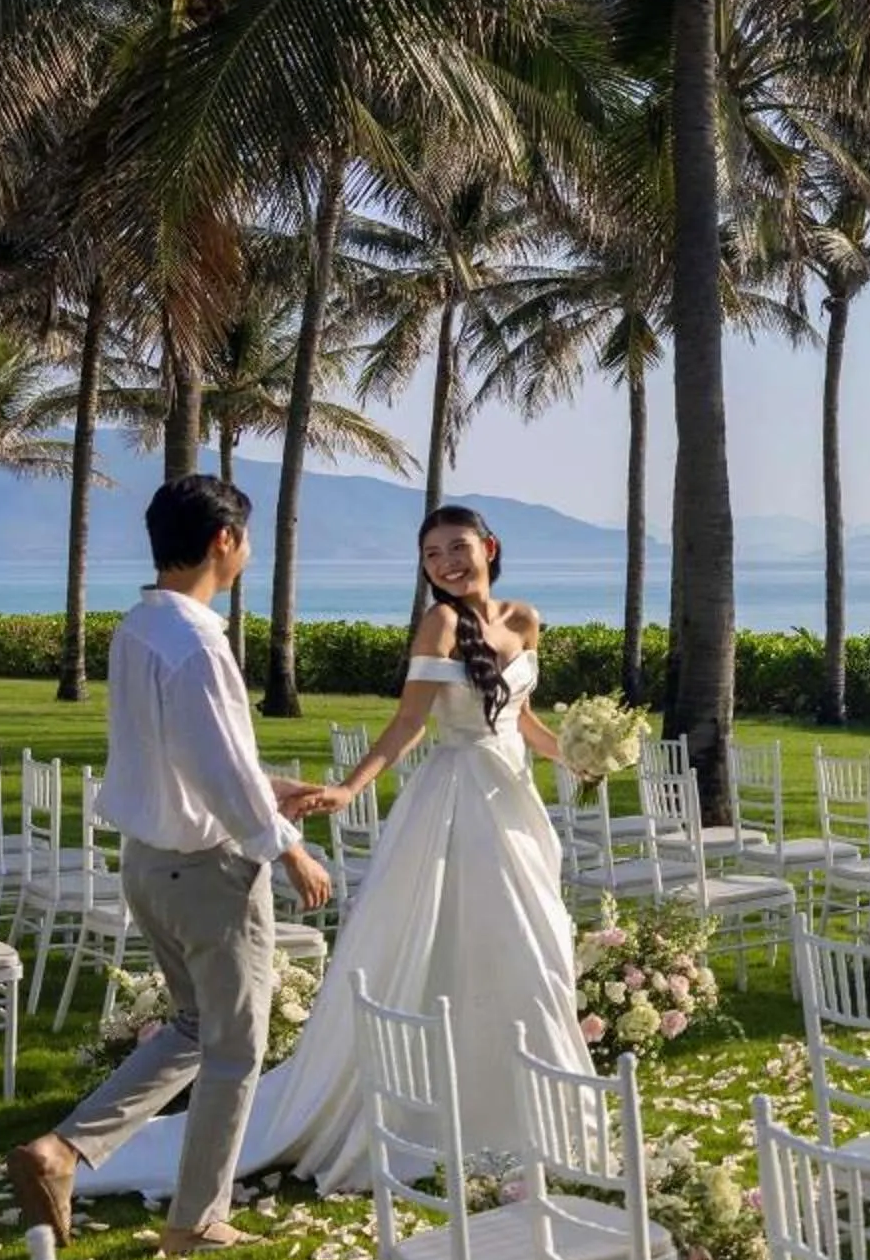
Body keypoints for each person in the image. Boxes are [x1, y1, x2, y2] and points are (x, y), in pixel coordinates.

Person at [66, 503, 590, 1206]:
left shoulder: (524, 620)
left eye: (456, 547)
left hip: (514, 799)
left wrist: (579, 754)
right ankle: (437, 1108)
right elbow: (408, 724)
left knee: (534, 945)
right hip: (458, 798)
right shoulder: (437, 625)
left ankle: (531, 1106)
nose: (445, 563)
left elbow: (522, 719)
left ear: (490, 547)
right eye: (431, 554)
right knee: (463, 939)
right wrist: (349, 787)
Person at [7, 476, 333, 1255]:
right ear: (225, 541)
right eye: (246, 537)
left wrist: (272, 789)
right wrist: (286, 846)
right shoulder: (197, 641)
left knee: (193, 1026)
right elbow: (218, 769)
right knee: (234, 1047)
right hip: (206, 873)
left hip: (150, 862)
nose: (248, 550)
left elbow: (180, 757)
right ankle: (194, 1219)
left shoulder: (140, 628)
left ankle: (61, 1152)